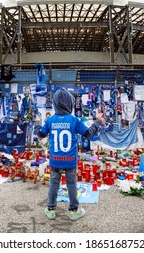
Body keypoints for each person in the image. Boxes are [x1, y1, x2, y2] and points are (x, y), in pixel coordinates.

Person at [38, 88, 104, 221]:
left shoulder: (50, 120)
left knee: (53, 183)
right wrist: (97, 122)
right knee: (72, 184)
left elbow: (40, 134)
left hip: (55, 160)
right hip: (70, 160)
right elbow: (88, 134)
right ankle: (74, 211)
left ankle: (51, 209)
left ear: (55, 103)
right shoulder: (73, 120)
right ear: (70, 103)